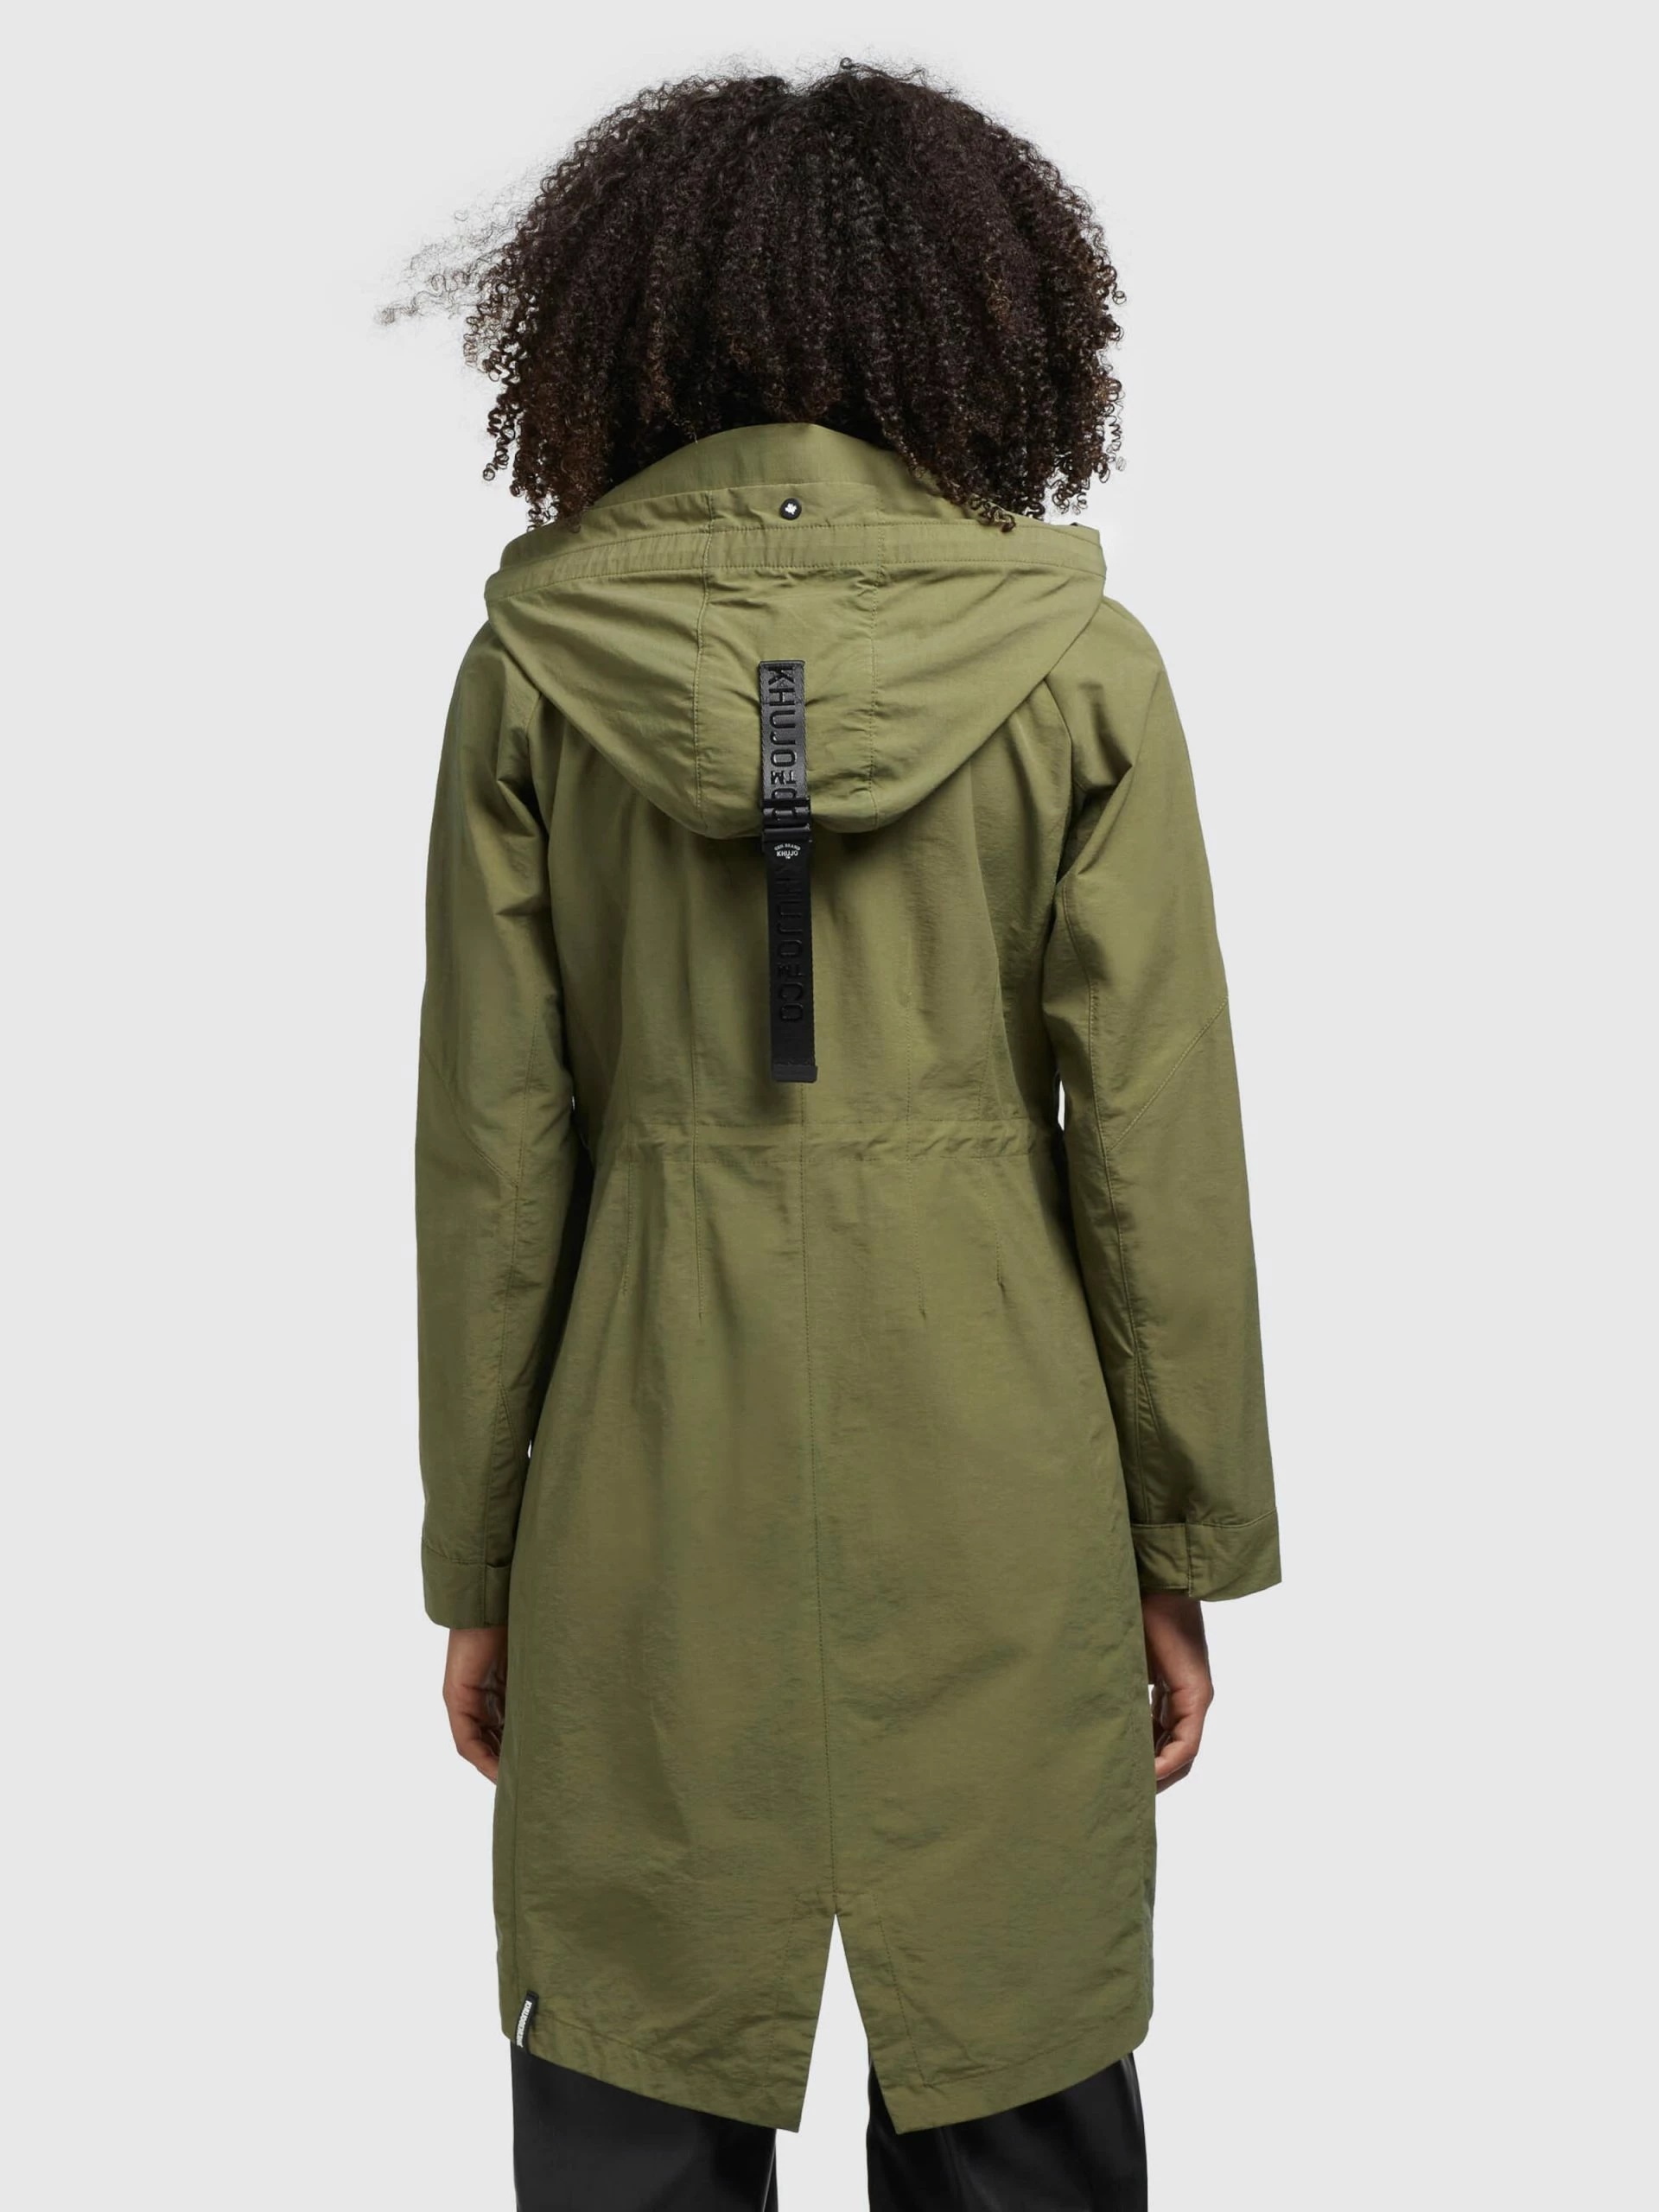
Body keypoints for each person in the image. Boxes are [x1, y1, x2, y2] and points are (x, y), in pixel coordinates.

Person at [409, 59, 1279, 2211]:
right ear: (980, 325)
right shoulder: (1078, 666)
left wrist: (483, 1562)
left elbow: (493, 1161)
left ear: (631, 328)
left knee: (634, 2068)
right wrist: (1181, 1545)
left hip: (642, 1467)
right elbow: (1154, 1138)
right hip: (999, 1463)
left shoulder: (540, 670)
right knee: (1014, 2065)